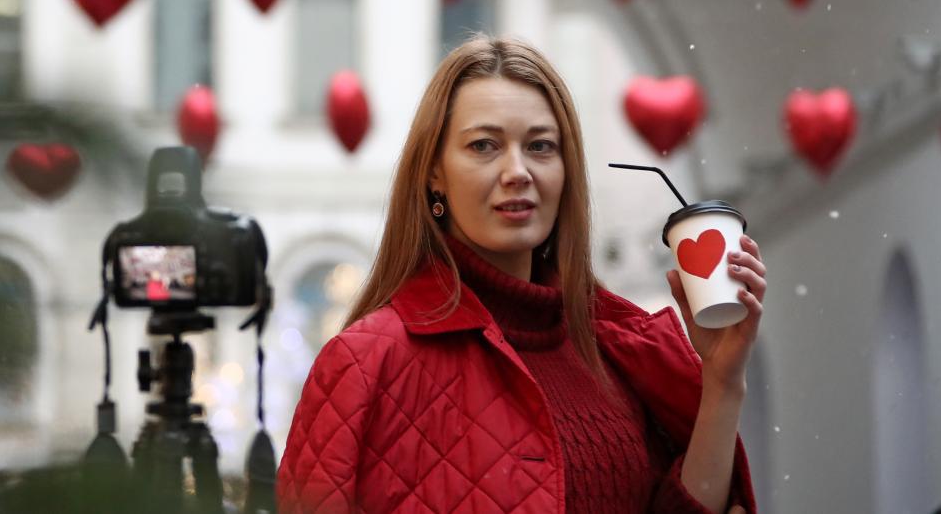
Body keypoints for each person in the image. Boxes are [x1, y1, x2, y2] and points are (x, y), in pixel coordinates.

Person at [277, 35, 765, 514]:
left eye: (540, 146)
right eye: (484, 145)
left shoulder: (617, 356)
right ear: (434, 173)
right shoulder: (365, 363)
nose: (517, 171)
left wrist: (722, 382)